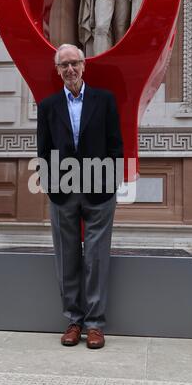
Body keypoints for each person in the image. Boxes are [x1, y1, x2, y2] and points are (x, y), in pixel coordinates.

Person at [37, 44, 123, 349]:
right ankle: (73, 321)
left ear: (83, 66)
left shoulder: (104, 100)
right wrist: (50, 185)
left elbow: (115, 145)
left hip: (99, 190)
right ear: (58, 70)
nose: (70, 70)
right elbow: (43, 151)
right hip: (63, 192)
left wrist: (111, 184)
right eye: (64, 65)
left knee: (97, 258)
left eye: (74, 63)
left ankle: (96, 325)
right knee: (67, 257)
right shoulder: (48, 106)